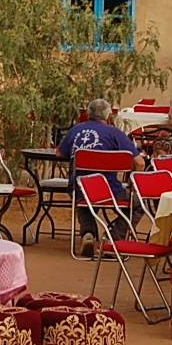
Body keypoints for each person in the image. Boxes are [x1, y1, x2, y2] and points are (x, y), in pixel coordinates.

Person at [57, 98, 145, 255]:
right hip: (109, 189)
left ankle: (88, 234)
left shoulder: (75, 130)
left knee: (83, 197)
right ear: (109, 116)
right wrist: (132, 183)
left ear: (88, 114)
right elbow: (139, 163)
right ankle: (113, 239)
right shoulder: (115, 133)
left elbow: (59, 153)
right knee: (138, 204)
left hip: (80, 187)